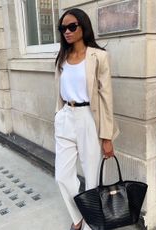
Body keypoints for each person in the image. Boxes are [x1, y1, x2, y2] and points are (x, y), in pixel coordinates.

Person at [54, 8, 119, 230]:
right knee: (62, 176)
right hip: (65, 118)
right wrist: (58, 115)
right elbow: (59, 90)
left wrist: (107, 136)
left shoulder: (98, 56)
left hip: (88, 119)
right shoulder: (62, 57)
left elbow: (106, 97)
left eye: (72, 26)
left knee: (91, 178)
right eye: (63, 28)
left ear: (83, 26)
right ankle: (78, 217)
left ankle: (90, 225)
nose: (67, 31)